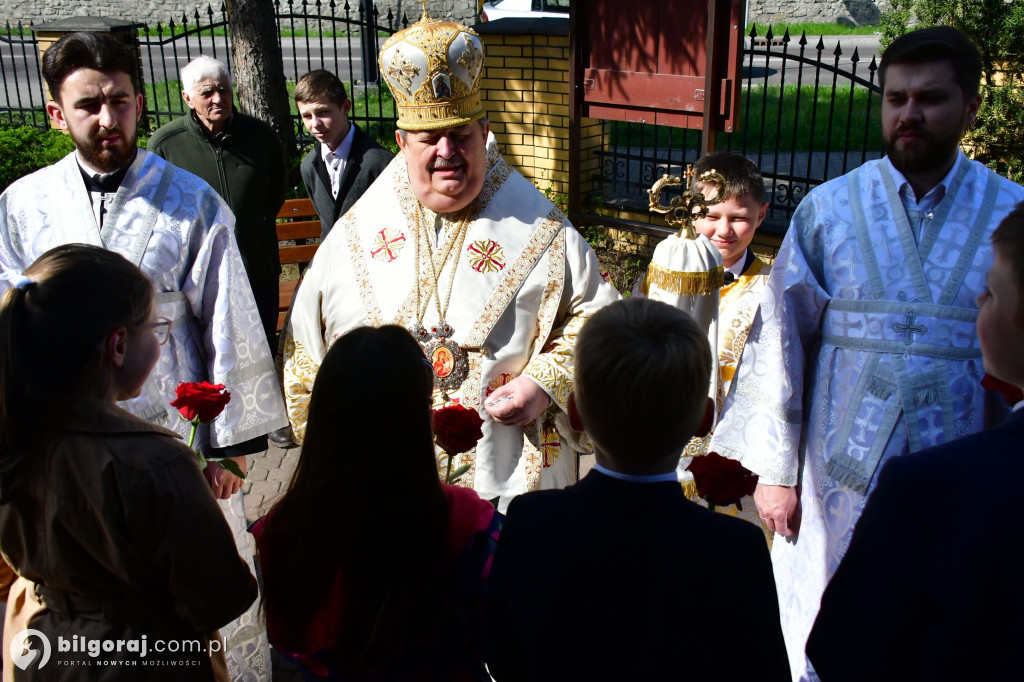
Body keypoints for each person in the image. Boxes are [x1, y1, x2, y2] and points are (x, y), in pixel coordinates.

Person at [708, 26, 1024, 679]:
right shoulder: (829, 209)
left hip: (966, 479)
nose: (909, 114)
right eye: (896, 98)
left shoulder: (1011, 213)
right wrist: (776, 472)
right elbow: (781, 338)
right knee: (826, 637)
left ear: (970, 108)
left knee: (951, 635)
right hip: (836, 482)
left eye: (930, 99)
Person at [0, 32, 287, 679]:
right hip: (59, 449)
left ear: (140, 103)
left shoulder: (192, 201)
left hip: (176, 439)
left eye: (121, 101)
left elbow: (228, 316)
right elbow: (8, 326)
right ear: (56, 113)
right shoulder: (20, 208)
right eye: (89, 104)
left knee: (192, 583)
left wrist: (229, 446)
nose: (108, 119)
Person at [280, 11, 618, 509]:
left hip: (508, 471)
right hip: (380, 478)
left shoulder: (542, 226)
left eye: (461, 134)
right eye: (429, 138)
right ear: (402, 142)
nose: (446, 151)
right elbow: (305, 350)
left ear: (485, 131)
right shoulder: (354, 234)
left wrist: (544, 383)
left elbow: (603, 320)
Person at [484, 297, 791, 681]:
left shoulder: (532, 521)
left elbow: (501, 655)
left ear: (575, 412)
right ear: (704, 419)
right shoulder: (737, 549)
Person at [0, 244, 257, 680]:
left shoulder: (13, 439)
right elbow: (220, 597)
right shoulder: (153, 462)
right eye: (154, 330)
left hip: (38, 646)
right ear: (118, 345)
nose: (158, 341)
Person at [806, 202, 1024, 681]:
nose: (977, 302)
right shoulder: (828, 206)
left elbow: (844, 648)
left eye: (990, 293)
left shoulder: (931, 486)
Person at [253, 325, 502, 680]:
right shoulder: (465, 519)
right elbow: (503, 636)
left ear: (322, 414)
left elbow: (283, 637)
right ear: (418, 420)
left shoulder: (279, 530)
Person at [148, 55, 287, 354]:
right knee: (210, 356)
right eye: (207, 92)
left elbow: (276, 191)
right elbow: (161, 211)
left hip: (256, 270)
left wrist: (254, 225)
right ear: (187, 98)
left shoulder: (260, 136)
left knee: (262, 350)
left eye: (223, 89)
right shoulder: (166, 146)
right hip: (198, 281)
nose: (218, 98)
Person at [679, 152, 771, 532]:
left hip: (737, 457)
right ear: (690, 212)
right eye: (711, 215)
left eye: (738, 217)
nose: (723, 230)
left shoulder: (773, 291)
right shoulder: (662, 276)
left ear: (761, 215)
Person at [295, 69, 393, 239]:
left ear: (346, 107)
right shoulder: (309, 166)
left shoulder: (380, 162)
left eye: (323, 112)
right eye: (307, 116)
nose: (315, 124)